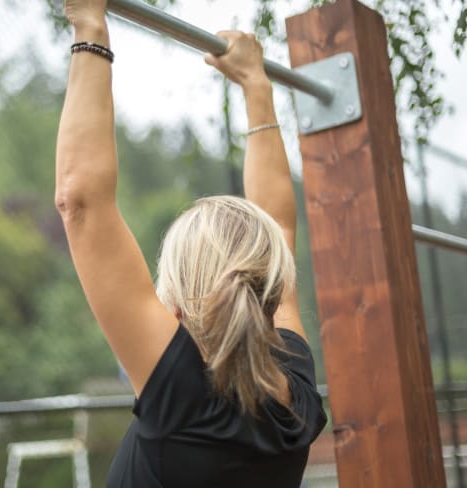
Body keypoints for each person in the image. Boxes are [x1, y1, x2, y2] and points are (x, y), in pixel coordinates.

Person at [55, 1, 327, 486]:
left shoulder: (183, 401)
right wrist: (257, 85)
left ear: (178, 303)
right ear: (269, 282)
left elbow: (82, 202)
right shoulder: (296, 398)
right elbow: (278, 227)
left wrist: (90, 24)